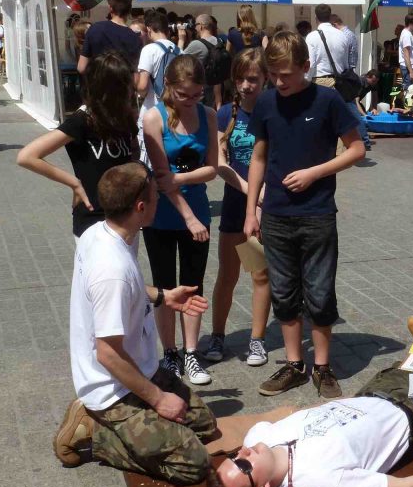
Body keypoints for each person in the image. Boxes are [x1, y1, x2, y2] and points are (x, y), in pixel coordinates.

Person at [52, 163, 218, 484]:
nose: (160, 201)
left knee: (205, 426)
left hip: (140, 369)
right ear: (141, 207)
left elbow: (125, 292)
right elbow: (107, 354)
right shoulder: (111, 270)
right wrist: (158, 400)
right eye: (157, 196)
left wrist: (163, 296)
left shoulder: (100, 232)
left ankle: (138, 425)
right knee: (194, 463)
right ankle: (94, 430)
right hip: (112, 389)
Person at [243, 31, 364, 399]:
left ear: (306, 67)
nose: (279, 82)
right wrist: (251, 210)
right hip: (276, 214)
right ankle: (295, 365)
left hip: (317, 213)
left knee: (320, 293)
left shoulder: (327, 100)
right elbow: (259, 157)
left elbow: (356, 149)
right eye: (273, 75)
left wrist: (315, 172)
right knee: (283, 293)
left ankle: (322, 367)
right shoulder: (267, 102)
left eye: (286, 75)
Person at [206, 363, 413, 487]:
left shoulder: (257, 436)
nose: (244, 451)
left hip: (376, 389)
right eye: (243, 464)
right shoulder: (323, 484)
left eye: (233, 455)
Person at [143, 55, 218, 386]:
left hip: (198, 211)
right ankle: (170, 352)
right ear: (168, 86)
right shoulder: (153, 117)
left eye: (197, 94)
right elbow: (161, 177)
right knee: (164, 287)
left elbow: (212, 168)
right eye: (183, 94)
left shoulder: (208, 115)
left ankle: (191, 351)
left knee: (193, 284)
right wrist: (187, 216)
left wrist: (181, 179)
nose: (190, 101)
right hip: (161, 215)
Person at [17, 52, 138, 238]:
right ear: (108, 90)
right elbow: (27, 156)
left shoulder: (124, 116)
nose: (131, 93)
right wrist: (73, 183)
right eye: (126, 88)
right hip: (93, 218)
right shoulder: (83, 119)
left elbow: (132, 157)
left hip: (125, 217)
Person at [202, 48, 272, 368]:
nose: (246, 85)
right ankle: (218, 335)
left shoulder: (272, 112)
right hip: (236, 205)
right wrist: (250, 194)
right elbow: (219, 163)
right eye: (241, 78)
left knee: (259, 273)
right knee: (227, 275)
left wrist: (261, 199)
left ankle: (257, 340)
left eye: (253, 79)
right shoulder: (224, 114)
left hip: (263, 208)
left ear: (266, 78)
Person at [136, 11, 180, 162]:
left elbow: (142, 87)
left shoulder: (149, 50)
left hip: (151, 111)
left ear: (149, 29)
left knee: (148, 160)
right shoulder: (180, 51)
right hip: (173, 114)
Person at [77, 0, 141, 76]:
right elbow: (135, 75)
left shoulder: (95, 29)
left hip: (98, 82)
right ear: (129, 10)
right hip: (123, 83)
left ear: (110, 8)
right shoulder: (135, 38)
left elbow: (81, 67)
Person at [180, 14, 225, 110]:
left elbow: (178, 61)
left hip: (201, 92)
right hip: (215, 90)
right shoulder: (219, 42)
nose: (194, 28)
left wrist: (181, 40)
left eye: (195, 25)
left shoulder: (197, 44)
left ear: (200, 26)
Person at [305, 4, 351, 89]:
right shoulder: (342, 35)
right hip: (339, 82)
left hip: (320, 82)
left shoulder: (312, 36)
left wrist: (306, 81)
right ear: (330, 17)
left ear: (316, 17)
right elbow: (346, 64)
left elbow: (311, 64)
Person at [399, 14, 413, 88]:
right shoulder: (406, 35)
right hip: (408, 68)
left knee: (410, 90)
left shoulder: (407, 33)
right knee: (409, 90)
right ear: (411, 22)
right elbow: (406, 54)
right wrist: (411, 71)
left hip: (409, 67)